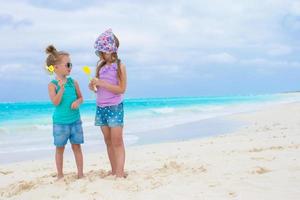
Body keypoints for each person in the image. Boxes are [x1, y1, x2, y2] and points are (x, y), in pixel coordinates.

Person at [90, 29, 127, 178]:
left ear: (111, 50)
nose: (101, 54)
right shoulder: (100, 67)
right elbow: (98, 88)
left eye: (103, 51)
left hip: (115, 107)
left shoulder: (120, 67)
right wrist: (93, 85)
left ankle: (120, 173)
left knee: (117, 141)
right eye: (100, 52)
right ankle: (114, 170)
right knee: (108, 141)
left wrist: (102, 83)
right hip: (101, 107)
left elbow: (121, 89)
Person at [46, 45, 84, 179]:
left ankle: (80, 174)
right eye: (68, 64)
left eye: (71, 64)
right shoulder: (52, 85)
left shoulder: (73, 82)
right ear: (56, 67)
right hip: (60, 123)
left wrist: (77, 102)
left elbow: (81, 97)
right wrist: (61, 90)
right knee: (60, 149)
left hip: (75, 120)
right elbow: (55, 102)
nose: (70, 66)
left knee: (77, 147)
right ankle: (60, 175)